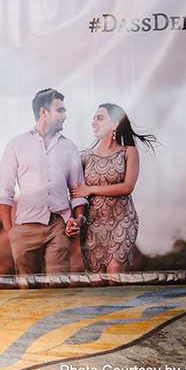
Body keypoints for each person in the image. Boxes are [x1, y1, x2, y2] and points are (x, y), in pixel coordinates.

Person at [0, 88, 88, 288]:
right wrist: (10, 232)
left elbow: (78, 192)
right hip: (25, 227)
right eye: (60, 110)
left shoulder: (69, 147)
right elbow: (5, 192)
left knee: (59, 287)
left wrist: (79, 219)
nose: (65, 116)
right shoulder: (16, 145)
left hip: (59, 226)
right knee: (28, 291)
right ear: (43, 112)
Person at [70, 103, 158, 285]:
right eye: (93, 118)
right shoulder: (84, 157)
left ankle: (118, 304)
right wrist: (77, 218)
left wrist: (91, 189)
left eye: (100, 118)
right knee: (96, 282)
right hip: (93, 223)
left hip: (121, 221)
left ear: (115, 124)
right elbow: (77, 192)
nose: (94, 122)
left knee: (114, 276)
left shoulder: (129, 152)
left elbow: (127, 187)